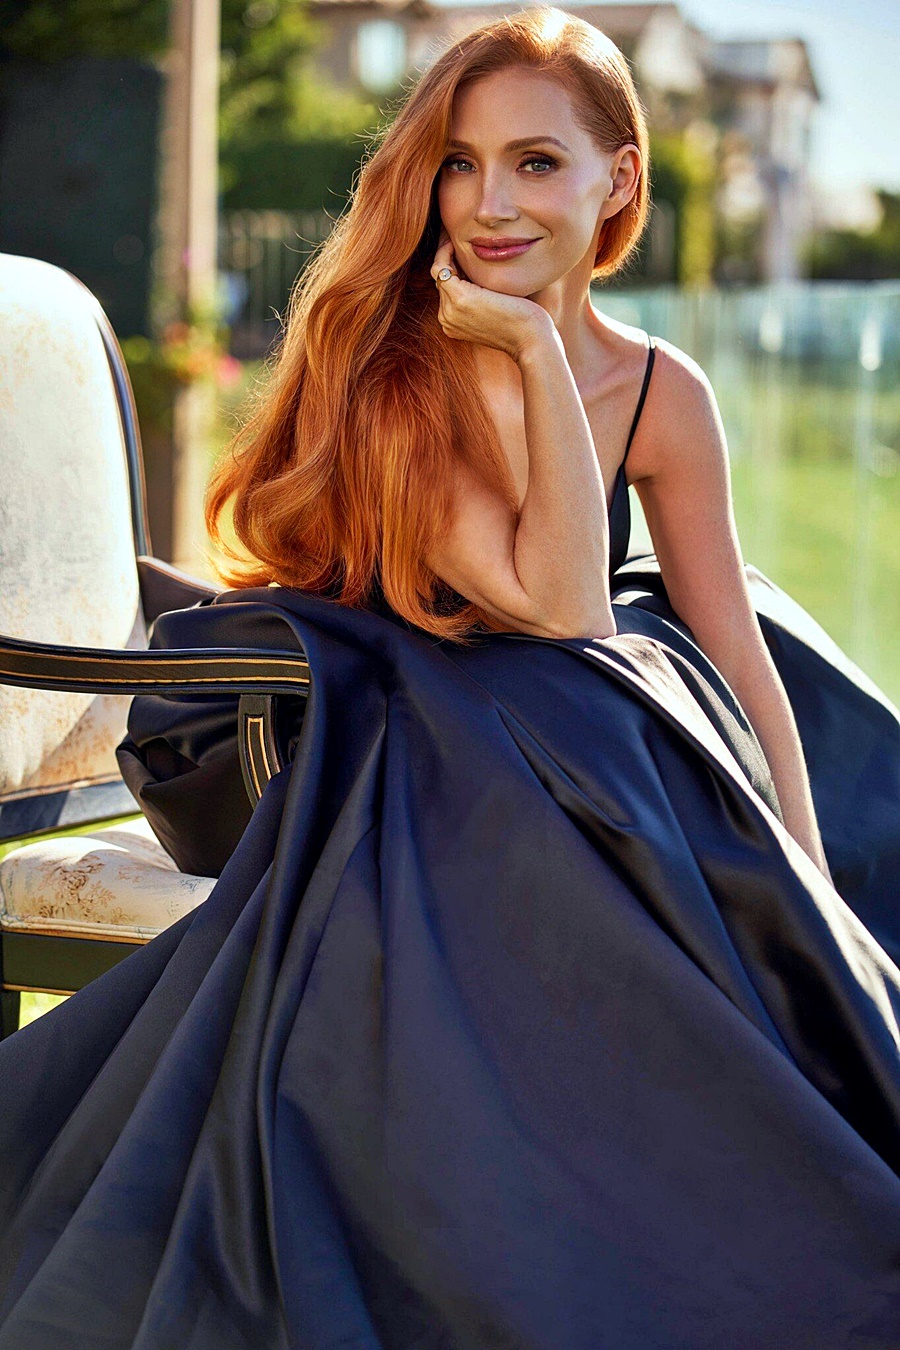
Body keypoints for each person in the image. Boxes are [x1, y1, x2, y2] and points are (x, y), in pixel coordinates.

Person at [1, 8, 899, 1347]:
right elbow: (560, 607)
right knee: (584, 693)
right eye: (462, 164)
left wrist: (806, 879)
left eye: (537, 163)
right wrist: (530, 349)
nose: (490, 203)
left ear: (619, 180)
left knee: (739, 652)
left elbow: (733, 650)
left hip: (548, 720)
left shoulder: (662, 390)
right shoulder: (400, 362)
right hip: (333, 718)